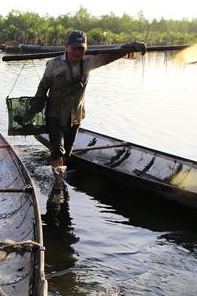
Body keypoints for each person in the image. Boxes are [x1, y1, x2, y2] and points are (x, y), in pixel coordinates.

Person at [31, 30, 146, 185]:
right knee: (57, 149)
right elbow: (43, 86)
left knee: (68, 152)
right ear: (67, 47)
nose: (78, 52)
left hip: (75, 115)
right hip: (55, 114)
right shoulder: (54, 65)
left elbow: (111, 55)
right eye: (75, 48)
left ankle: (59, 172)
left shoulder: (88, 62)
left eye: (81, 48)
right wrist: (35, 107)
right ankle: (58, 183)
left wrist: (130, 47)